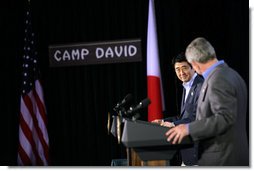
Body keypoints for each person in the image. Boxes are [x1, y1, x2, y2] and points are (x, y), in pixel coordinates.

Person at [165, 37, 249, 166]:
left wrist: (188, 128)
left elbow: (225, 118)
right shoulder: (232, 74)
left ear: (194, 63)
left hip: (222, 159)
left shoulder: (217, 79)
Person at [152, 53, 204, 166]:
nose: (181, 73)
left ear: (193, 67)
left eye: (184, 68)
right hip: (188, 153)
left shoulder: (201, 86)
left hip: (199, 154)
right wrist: (163, 122)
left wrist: (174, 124)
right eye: (177, 69)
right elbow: (184, 117)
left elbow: (198, 118)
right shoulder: (187, 87)